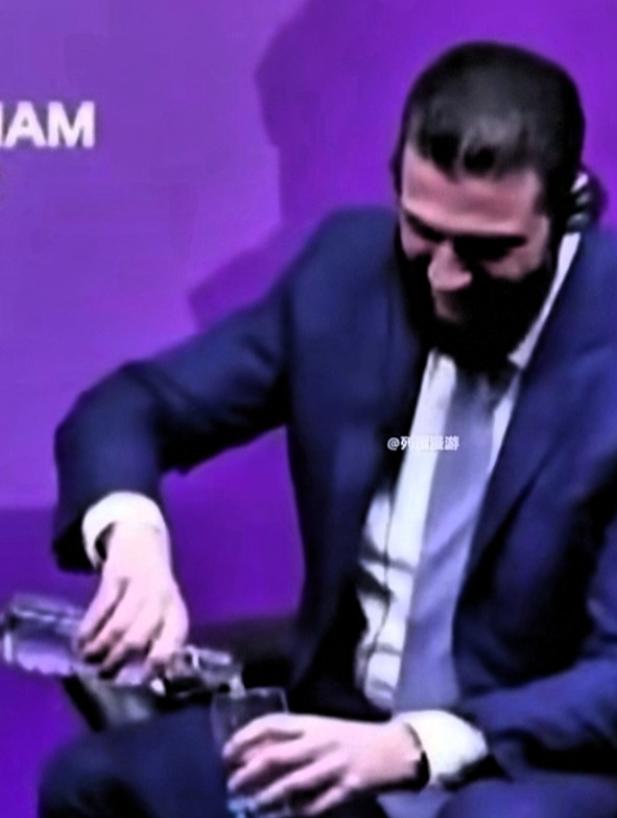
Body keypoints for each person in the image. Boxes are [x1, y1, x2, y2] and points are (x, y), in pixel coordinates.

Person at [39, 41, 617, 818]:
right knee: (93, 785)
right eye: (422, 232)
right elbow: (132, 406)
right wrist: (133, 541)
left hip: (522, 763)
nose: (444, 278)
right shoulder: (345, 275)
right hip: (337, 728)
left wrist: (415, 746)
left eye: (487, 251)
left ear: (567, 212)